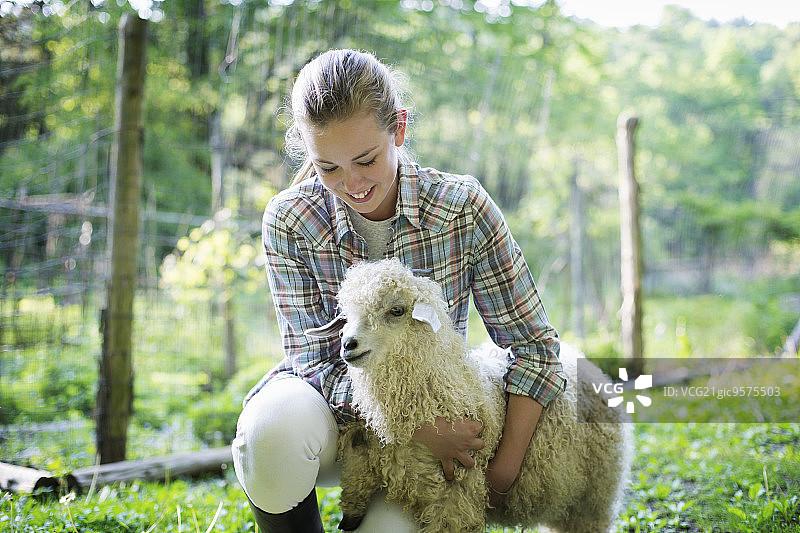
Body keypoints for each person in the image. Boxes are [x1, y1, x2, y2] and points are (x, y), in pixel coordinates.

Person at [231, 49, 566, 532]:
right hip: (339, 420)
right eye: (328, 167)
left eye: (366, 159)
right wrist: (413, 426)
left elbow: (534, 347)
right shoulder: (290, 219)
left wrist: (502, 473)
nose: (352, 183)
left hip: (436, 428)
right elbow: (313, 361)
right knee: (269, 432)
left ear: (399, 129)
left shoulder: (461, 208)